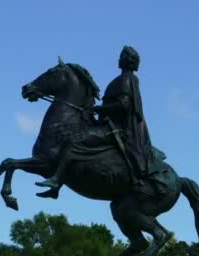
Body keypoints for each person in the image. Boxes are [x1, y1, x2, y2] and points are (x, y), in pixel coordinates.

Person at [36, 46, 159, 199]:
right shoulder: (121, 79)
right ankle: (55, 185)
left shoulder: (127, 79)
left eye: (122, 56)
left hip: (116, 129)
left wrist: (101, 109)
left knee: (74, 142)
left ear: (127, 60)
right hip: (108, 125)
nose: (119, 59)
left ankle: (56, 182)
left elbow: (124, 105)